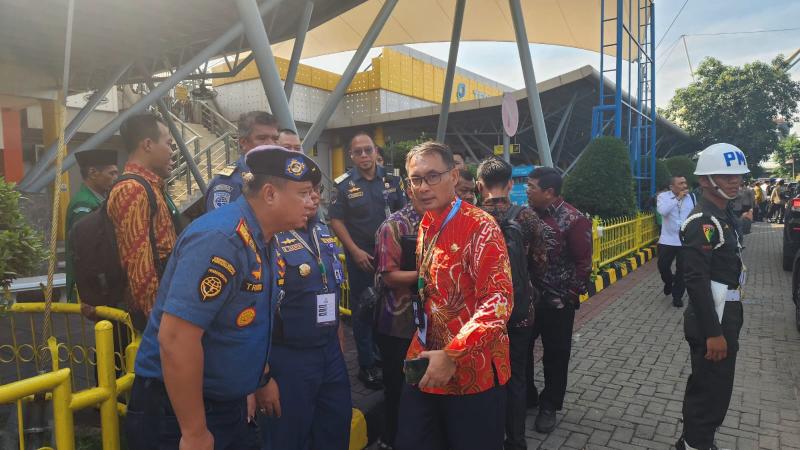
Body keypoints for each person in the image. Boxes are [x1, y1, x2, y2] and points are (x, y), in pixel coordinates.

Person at [125, 146, 320, 450]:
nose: (312, 202)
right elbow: (176, 339)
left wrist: (261, 380)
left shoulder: (262, 237)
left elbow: (246, 323)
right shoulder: (223, 239)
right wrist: (194, 432)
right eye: (304, 193)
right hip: (179, 411)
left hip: (224, 404)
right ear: (270, 194)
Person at [395, 142, 512, 450]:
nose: (423, 186)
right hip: (426, 363)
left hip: (473, 370)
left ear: (454, 176)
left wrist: (453, 354)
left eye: (433, 176)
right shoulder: (426, 223)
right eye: (415, 179)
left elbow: (498, 302)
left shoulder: (481, 226)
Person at [259, 178, 351, 449]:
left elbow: (329, 287)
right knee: (287, 436)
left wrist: (338, 332)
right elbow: (256, 312)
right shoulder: (269, 238)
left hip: (329, 351)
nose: (312, 198)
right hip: (288, 357)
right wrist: (261, 377)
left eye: (316, 191)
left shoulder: (322, 231)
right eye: (303, 192)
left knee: (335, 426)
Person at [676, 143, 749, 450]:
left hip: (726, 310)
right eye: (725, 175)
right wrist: (714, 333)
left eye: (738, 176)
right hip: (713, 317)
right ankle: (695, 444)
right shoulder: (703, 221)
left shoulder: (723, 213)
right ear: (705, 180)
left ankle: (695, 441)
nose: (735, 181)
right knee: (710, 391)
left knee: (715, 387)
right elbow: (695, 281)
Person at [476, 157, 547, 450]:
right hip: (520, 312)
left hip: (482, 314)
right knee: (516, 375)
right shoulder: (527, 217)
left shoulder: (472, 217)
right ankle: (516, 441)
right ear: (510, 184)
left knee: (485, 375)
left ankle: (487, 438)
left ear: (480, 186)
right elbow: (540, 263)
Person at [329, 132, 406, 389]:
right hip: (362, 258)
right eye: (358, 152)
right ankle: (367, 365)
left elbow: (403, 212)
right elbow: (336, 220)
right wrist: (353, 250)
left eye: (368, 150)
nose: (364, 155)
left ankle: (384, 356)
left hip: (392, 259)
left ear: (375, 152)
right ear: (351, 156)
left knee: (390, 307)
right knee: (364, 311)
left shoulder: (393, 179)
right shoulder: (344, 185)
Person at [525, 167, 592, 434]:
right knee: (522, 350)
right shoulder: (525, 216)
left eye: (531, 187)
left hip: (558, 303)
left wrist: (569, 296)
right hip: (528, 301)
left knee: (556, 354)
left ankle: (549, 405)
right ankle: (527, 395)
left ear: (549, 192)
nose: (527, 191)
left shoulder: (573, 219)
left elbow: (583, 263)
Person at [107, 114, 180, 330]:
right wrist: (160, 324)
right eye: (168, 143)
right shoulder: (133, 190)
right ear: (148, 144)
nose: (172, 151)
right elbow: (140, 269)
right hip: (150, 320)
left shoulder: (150, 186)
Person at [373, 183, 423, 450]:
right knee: (398, 388)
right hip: (398, 323)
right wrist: (431, 275)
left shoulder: (447, 221)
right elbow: (388, 276)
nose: (426, 188)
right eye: (419, 181)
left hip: (435, 323)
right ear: (408, 189)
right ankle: (391, 440)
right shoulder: (394, 226)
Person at [65, 149, 119, 305]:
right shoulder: (83, 204)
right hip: (92, 289)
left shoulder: (98, 200)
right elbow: (86, 254)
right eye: (111, 173)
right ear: (93, 172)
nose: (116, 179)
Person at [205, 111, 280, 211]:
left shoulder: (278, 176)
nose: (271, 144)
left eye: (275, 139)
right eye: (262, 138)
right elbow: (221, 224)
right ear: (243, 142)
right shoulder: (229, 182)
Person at [657, 176, 696, 308]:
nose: (684, 185)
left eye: (685, 182)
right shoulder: (663, 197)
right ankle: (668, 282)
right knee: (663, 266)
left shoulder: (692, 197)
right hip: (667, 239)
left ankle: (677, 296)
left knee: (682, 270)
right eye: (680, 183)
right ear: (672, 187)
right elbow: (662, 211)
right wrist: (678, 198)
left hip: (685, 241)